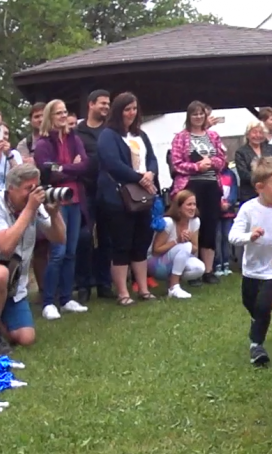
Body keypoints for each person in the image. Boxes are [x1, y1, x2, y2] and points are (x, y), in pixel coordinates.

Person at [0, 163, 66, 355]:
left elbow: (59, 238)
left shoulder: (34, 206)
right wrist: (30, 209)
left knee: (26, 338)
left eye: (36, 187)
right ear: (11, 188)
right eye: (28, 188)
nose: (33, 193)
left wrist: (54, 213)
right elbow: (6, 247)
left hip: (13, 284)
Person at [229, 156, 272, 367]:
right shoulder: (248, 209)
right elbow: (233, 236)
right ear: (260, 187)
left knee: (264, 305)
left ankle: (256, 346)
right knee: (250, 303)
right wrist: (250, 236)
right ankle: (257, 320)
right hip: (252, 268)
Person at [97, 92, 159, 305]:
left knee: (141, 243)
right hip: (119, 197)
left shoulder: (141, 134)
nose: (132, 113)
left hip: (143, 196)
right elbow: (112, 163)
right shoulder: (108, 135)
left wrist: (150, 173)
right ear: (118, 111)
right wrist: (138, 178)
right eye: (127, 109)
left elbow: (152, 158)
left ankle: (143, 289)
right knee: (121, 244)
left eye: (134, 108)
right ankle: (123, 292)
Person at [33, 99, 90, 319]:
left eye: (65, 112)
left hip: (75, 199)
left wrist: (64, 168)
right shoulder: (43, 143)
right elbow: (47, 171)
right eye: (59, 113)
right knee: (57, 252)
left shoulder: (74, 138)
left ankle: (66, 298)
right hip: (56, 202)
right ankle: (49, 301)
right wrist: (71, 167)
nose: (63, 116)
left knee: (71, 252)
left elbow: (85, 165)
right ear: (50, 116)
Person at [169, 101, 228, 285]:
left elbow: (222, 159)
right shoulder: (180, 137)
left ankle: (208, 270)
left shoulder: (213, 136)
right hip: (190, 186)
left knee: (210, 226)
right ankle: (193, 270)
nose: (198, 117)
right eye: (194, 114)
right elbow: (176, 164)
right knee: (192, 226)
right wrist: (197, 167)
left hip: (212, 185)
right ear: (189, 116)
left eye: (201, 113)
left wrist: (211, 163)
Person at [74, 89, 115, 303]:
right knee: (84, 238)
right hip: (85, 190)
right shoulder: (77, 131)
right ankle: (83, 285)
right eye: (102, 103)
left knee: (107, 239)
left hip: (108, 189)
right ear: (91, 104)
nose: (106, 107)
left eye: (108, 103)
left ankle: (104, 284)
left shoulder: (111, 130)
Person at [147, 190, 206, 298]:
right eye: (189, 204)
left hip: (174, 259)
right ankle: (174, 287)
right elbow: (156, 251)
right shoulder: (168, 222)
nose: (193, 208)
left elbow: (195, 248)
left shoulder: (195, 221)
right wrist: (177, 241)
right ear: (178, 207)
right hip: (155, 263)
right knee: (185, 246)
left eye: (194, 204)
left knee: (199, 268)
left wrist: (187, 240)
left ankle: (173, 283)